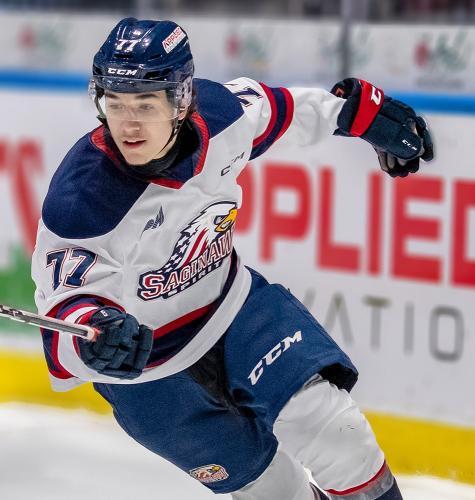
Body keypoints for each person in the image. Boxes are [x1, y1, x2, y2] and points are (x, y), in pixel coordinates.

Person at [31, 18, 433, 500]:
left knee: (336, 434)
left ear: (182, 99)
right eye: (115, 104)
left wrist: (359, 115)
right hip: (150, 377)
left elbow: (284, 110)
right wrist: (94, 336)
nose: (128, 124)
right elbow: (64, 315)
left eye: (145, 104)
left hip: (234, 310)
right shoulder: (83, 198)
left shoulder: (223, 114)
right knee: (275, 493)